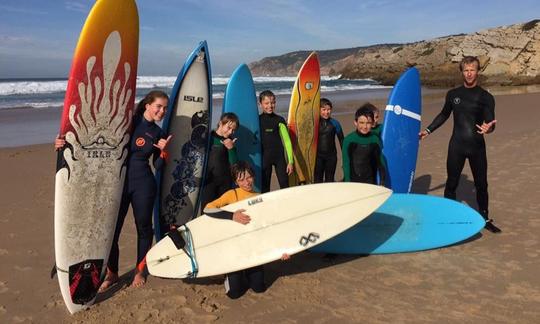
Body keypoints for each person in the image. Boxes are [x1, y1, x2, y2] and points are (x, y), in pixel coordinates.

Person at [55, 90, 173, 291]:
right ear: (147, 105)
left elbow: (158, 167)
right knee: (111, 230)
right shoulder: (126, 122)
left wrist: (163, 153)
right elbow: (92, 142)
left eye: (165, 108)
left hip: (143, 184)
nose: (162, 111)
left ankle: (139, 270)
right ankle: (112, 273)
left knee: (144, 228)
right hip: (115, 183)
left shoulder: (158, 133)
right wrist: (63, 143)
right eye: (159, 106)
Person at [419, 56, 500, 233]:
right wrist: (428, 130)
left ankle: (485, 217)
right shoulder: (453, 95)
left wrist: (489, 128)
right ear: (461, 72)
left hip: (477, 146)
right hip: (457, 145)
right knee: (452, 182)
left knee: (481, 184)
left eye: (472, 69)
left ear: (478, 71)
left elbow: (490, 122)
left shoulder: (486, 97)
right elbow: (443, 115)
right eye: (466, 70)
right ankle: (449, 216)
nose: (469, 73)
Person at [204, 161, 289, 299]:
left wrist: (281, 249)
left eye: (249, 177)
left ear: (253, 177)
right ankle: (230, 273)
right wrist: (232, 216)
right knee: (234, 293)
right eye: (241, 179)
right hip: (234, 248)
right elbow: (207, 209)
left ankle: (246, 272)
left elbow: (269, 226)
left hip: (252, 247)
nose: (246, 182)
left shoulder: (259, 197)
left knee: (259, 288)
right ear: (236, 182)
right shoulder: (232, 195)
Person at [199, 112, 239, 211]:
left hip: (225, 183)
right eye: (228, 128)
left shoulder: (230, 141)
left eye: (233, 130)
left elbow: (234, 164)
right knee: (207, 211)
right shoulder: (208, 138)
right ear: (221, 123)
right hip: (209, 182)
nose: (230, 132)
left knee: (224, 211)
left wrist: (231, 149)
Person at [258, 90, 294, 192]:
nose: (270, 106)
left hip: (279, 158)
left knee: (285, 185)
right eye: (266, 103)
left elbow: (287, 141)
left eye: (273, 103)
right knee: (265, 188)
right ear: (260, 104)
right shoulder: (257, 120)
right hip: (265, 159)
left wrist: (290, 161)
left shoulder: (279, 120)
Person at [342, 105, 386, 185]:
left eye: (368, 123)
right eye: (361, 123)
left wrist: (382, 182)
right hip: (353, 181)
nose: (365, 126)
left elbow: (381, 162)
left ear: (372, 123)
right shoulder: (349, 140)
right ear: (355, 122)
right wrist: (348, 183)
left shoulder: (375, 139)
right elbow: (346, 163)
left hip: (370, 181)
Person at [314, 98, 344, 183]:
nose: (326, 112)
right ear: (318, 109)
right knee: (317, 180)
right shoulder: (314, 123)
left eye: (329, 110)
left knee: (330, 180)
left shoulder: (335, 123)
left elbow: (342, 140)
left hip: (331, 157)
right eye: (324, 109)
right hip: (317, 157)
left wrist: (344, 157)